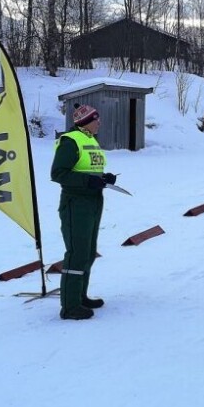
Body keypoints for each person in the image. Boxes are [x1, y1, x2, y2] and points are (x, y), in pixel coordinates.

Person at [50, 104, 117, 320]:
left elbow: (88, 169)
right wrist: (88, 181)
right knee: (77, 252)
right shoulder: (71, 141)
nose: (99, 123)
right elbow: (58, 173)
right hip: (75, 202)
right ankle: (69, 306)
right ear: (86, 121)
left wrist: (104, 178)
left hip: (93, 200)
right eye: (96, 119)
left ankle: (80, 295)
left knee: (88, 252)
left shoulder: (90, 140)